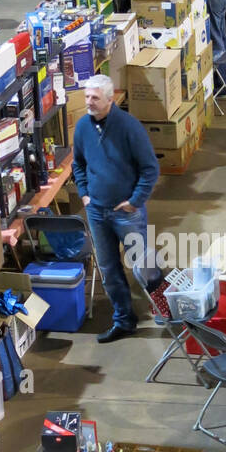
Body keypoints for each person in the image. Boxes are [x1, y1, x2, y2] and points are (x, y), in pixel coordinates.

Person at [72, 75, 160, 343]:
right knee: (109, 269)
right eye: (87, 97)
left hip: (126, 212)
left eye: (95, 98)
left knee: (142, 265)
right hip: (97, 212)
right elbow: (78, 164)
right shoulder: (83, 127)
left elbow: (150, 169)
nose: (89, 102)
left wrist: (135, 201)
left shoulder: (129, 127)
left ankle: (166, 307)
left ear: (110, 99)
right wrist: (84, 194)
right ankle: (124, 320)